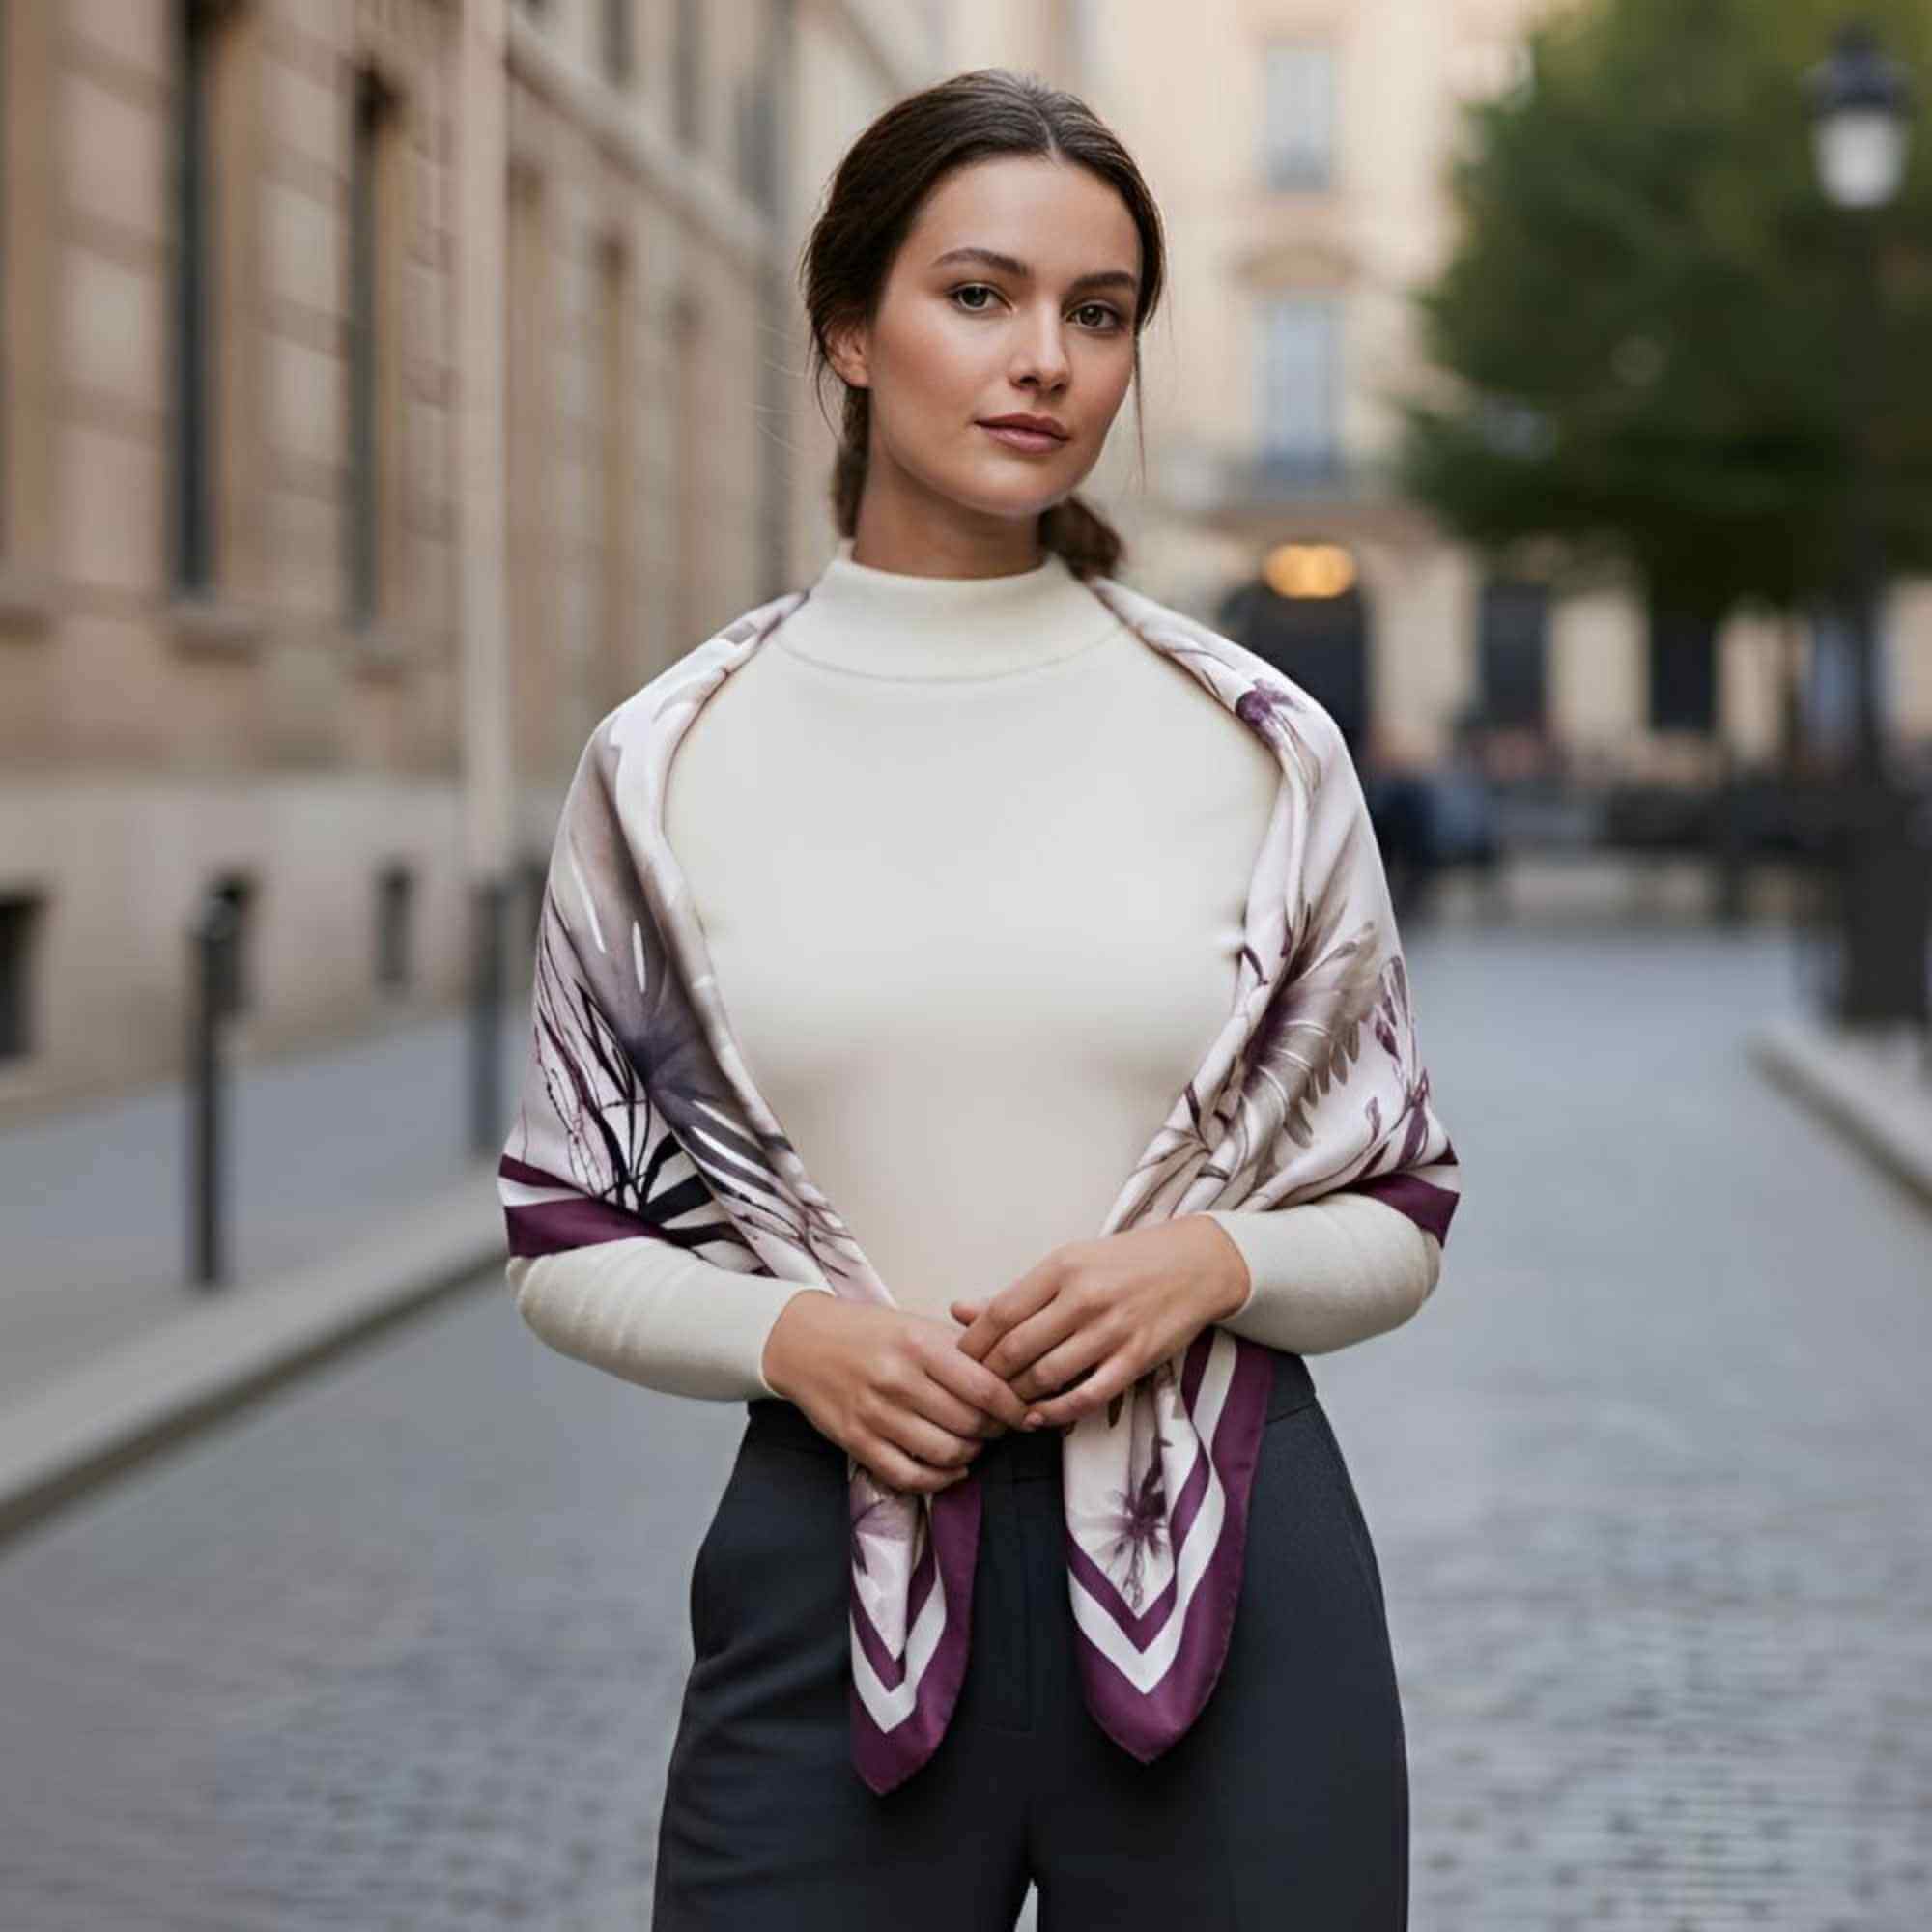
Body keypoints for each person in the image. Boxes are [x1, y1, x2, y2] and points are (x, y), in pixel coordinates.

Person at [502, 67, 1457, 1931]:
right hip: (821, 1565)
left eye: (1098, 316)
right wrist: (794, 1341)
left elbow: (1403, 1206)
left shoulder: (1260, 740)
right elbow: (558, 1233)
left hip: (1238, 1579)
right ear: (848, 328)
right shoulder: (669, 760)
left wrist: (1219, 1267)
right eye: (978, 296)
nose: (1044, 361)